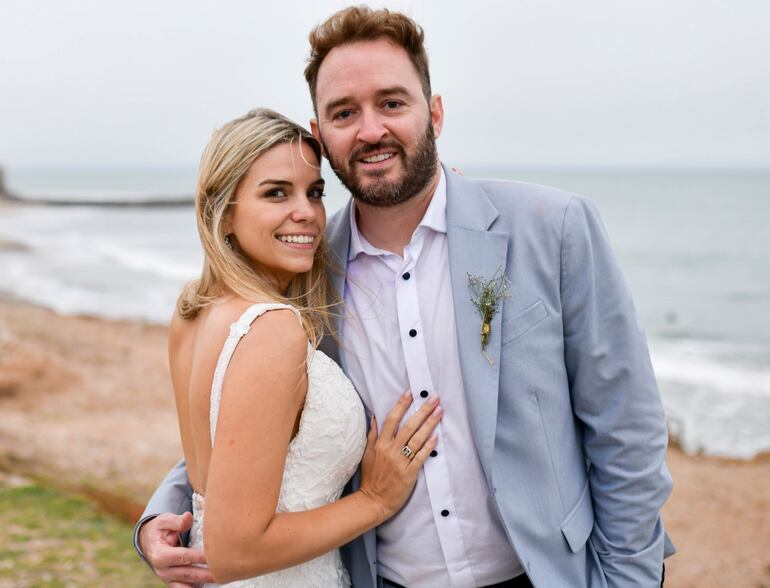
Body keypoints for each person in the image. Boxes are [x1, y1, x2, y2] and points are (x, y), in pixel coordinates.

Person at [137, 7, 674, 587]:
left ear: (434, 113)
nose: (370, 130)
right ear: (320, 135)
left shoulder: (554, 228)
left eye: (392, 103)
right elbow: (257, 420)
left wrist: (629, 579)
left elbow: (626, 424)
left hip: (542, 574)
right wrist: (159, 519)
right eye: (345, 112)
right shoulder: (306, 273)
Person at [152, 107, 442, 586]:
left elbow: (223, 466)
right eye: (275, 193)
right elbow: (234, 548)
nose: (306, 212)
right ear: (222, 214)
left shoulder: (193, 313)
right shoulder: (272, 328)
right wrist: (375, 500)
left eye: (315, 192)